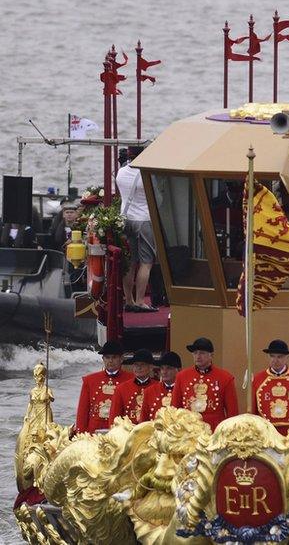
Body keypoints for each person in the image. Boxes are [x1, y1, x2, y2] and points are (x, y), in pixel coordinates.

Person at [115, 145, 157, 313]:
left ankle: (129, 300)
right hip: (144, 219)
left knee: (130, 263)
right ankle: (140, 301)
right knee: (146, 263)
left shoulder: (120, 173)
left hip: (126, 219)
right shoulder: (147, 174)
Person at [171, 337, 239, 430]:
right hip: (188, 433)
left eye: (202, 353)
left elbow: (232, 413)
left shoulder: (225, 378)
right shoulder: (181, 377)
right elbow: (175, 409)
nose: (198, 356)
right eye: (195, 353)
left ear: (211, 355)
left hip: (214, 432)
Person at [75, 340, 132, 433]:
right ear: (103, 359)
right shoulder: (89, 380)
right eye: (107, 357)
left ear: (121, 359)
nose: (110, 361)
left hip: (120, 431)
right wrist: (80, 433)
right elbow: (83, 411)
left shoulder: (131, 379)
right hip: (94, 430)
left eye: (114, 357)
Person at [108, 349, 157, 424]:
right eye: (136, 365)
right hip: (128, 433)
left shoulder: (157, 387)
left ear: (150, 367)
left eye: (142, 364)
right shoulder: (121, 389)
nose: (139, 368)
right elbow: (114, 417)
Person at [140, 351, 181, 422]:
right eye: (162, 368)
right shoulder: (149, 391)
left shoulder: (183, 390)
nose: (164, 372)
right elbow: (143, 420)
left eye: (169, 368)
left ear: (178, 370)